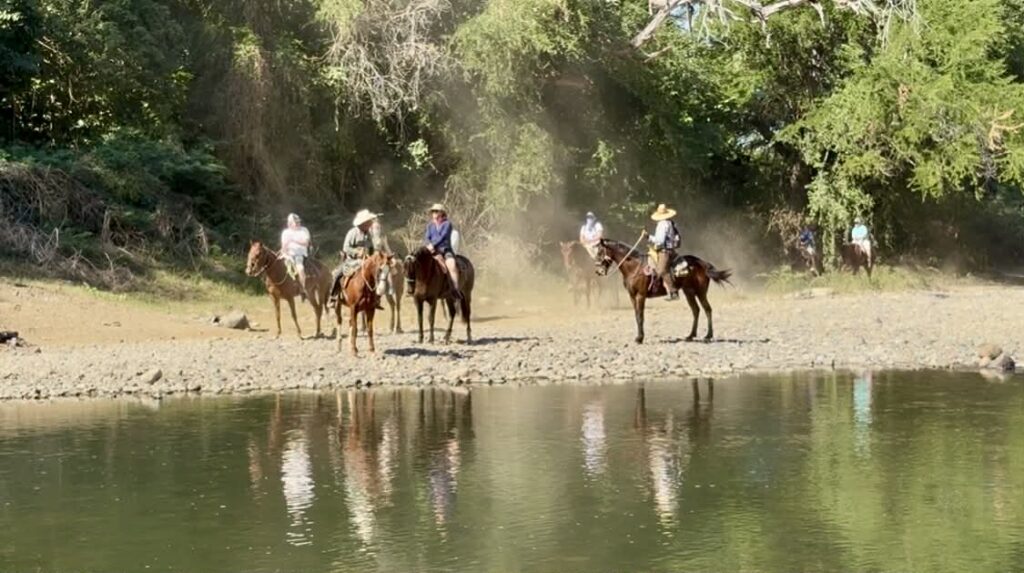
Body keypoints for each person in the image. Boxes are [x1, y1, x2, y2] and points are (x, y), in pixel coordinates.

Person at [331, 209, 383, 308]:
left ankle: (375, 298)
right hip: (352, 261)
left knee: (378, 273)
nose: (370, 223)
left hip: (366, 260)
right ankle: (333, 296)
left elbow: (371, 247)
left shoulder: (368, 234)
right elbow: (345, 247)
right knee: (337, 274)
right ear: (363, 223)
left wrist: (373, 255)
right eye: (368, 221)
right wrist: (356, 252)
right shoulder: (352, 233)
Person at [425, 203, 462, 299]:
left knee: (452, 265)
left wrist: (433, 245)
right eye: (433, 211)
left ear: (441, 213)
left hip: (445, 250)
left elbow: (443, 237)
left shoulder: (447, 224)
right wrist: (428, 245)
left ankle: (455, 289)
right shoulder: (430, 225)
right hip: (432, 251)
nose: (434, 213)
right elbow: (427, 237)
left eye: (436, 211)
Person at [646, 203, 681, 301]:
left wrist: (648, 237)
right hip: (671, 250)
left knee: (662, 270)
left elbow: (660, 241)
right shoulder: (671, 223)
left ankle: (673, 292)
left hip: (664, 251)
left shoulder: (662, 224)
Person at [280, 213, 311, 298]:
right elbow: (283, 246)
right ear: (290, 224)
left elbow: (306, 243)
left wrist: (293, 240)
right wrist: (285, 251)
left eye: (298, 222)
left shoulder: (304, 230)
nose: (298, 224)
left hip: (299, 254)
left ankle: (303, 289)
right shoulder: (285, 233)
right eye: (296, 222)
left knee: (300, 268)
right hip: (288, 254)